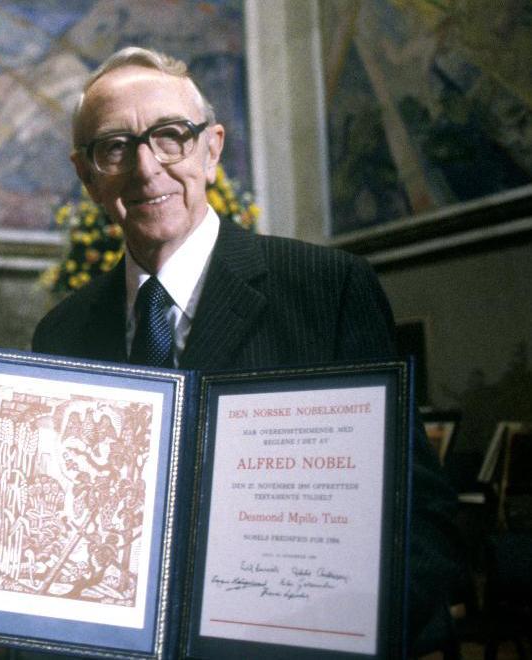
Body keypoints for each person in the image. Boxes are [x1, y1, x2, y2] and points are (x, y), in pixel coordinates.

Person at [27, 47, 459, 647]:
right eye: (116, 147)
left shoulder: (326, 291)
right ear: (87, 174)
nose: (147, 168)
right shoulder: (61, 333)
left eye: (171, 136)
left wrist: (340, 622)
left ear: (212, 150)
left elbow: (423, 521)